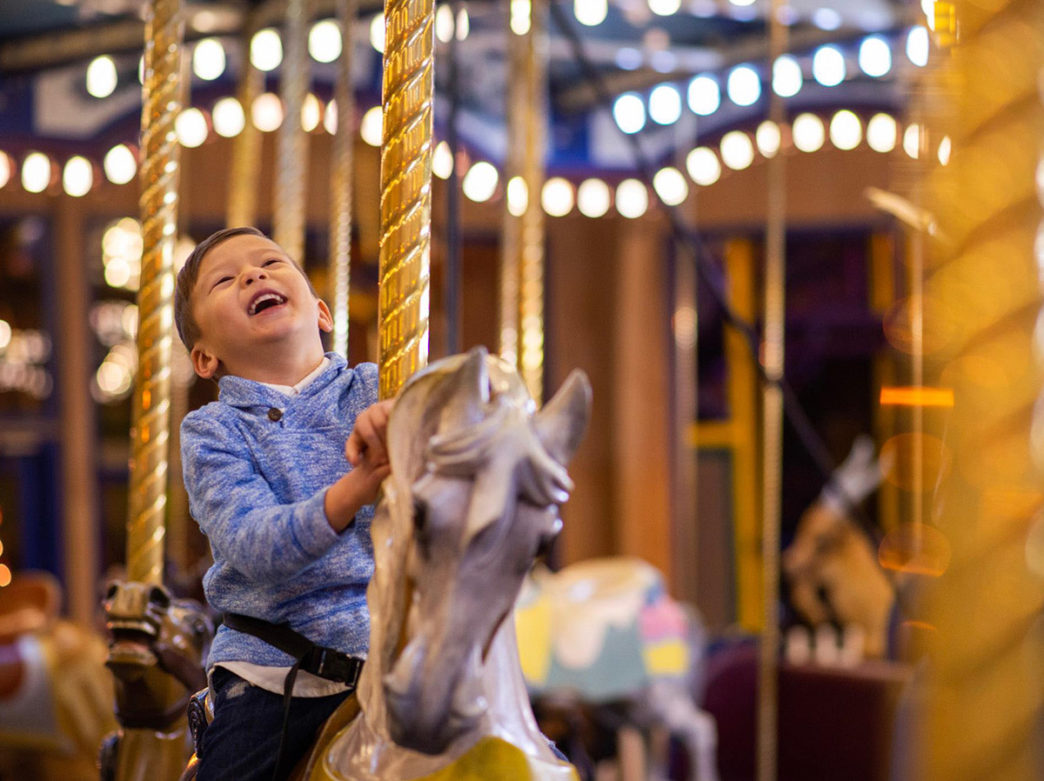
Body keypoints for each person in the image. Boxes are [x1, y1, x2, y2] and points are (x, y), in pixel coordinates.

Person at [174, 226, 392, 780]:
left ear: (321, 313)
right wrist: (356, 488)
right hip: (277, 675)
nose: (254, 275)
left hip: (396, 655)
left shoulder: (377, 388)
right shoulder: (215, 432)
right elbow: (254, 543)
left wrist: (420, 418)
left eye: (271, 262)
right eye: (225, 280)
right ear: (205, 358)